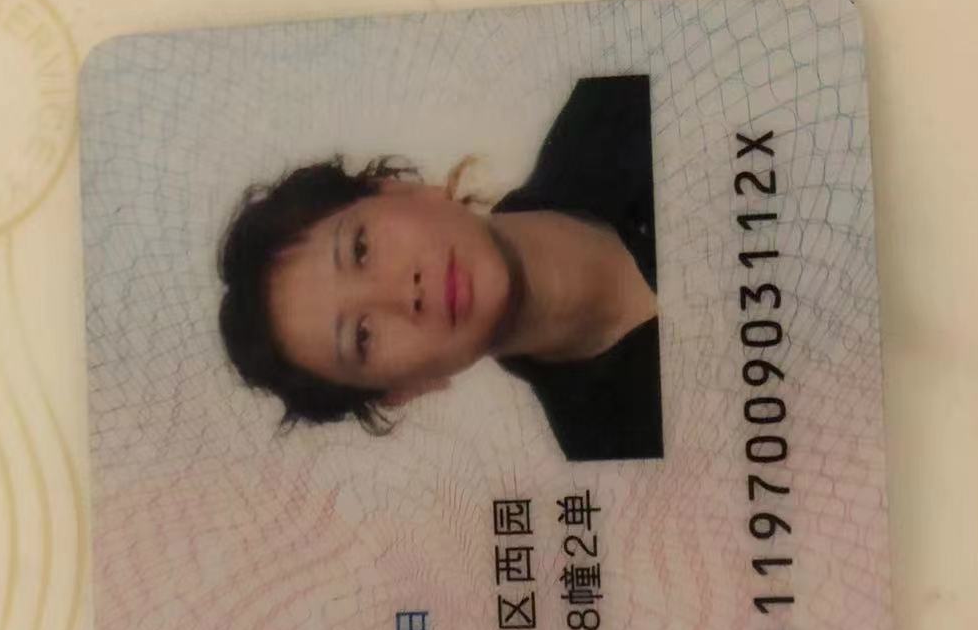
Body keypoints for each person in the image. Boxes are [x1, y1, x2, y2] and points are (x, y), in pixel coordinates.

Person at [217, 74, 662, 460]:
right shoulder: (614, 453)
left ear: (398, 190)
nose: (401, 294)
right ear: (403, 391)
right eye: (363, 337)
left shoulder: (627, 100)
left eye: (361, 249)